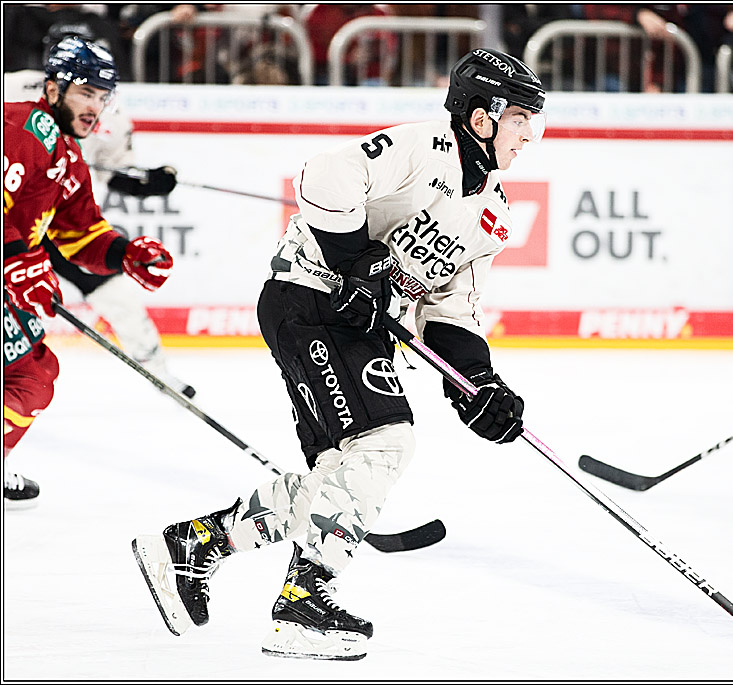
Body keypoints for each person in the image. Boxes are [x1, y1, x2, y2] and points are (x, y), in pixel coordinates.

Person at [131, 48, 544, 660]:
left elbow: (451, 308)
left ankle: (195, 544)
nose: (527, 136)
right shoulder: (422, 147)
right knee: (385, 445)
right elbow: (324, 177)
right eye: (518, 119)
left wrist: (478, 386)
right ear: (481, 116)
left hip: (356, 324)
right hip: (308, 301)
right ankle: (302, 603)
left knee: (338, 475)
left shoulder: (493, 212)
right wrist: (357, 266)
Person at [3, 36, 175, 508]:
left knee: (31, 377)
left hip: (8, 282)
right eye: (85, 93)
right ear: (55, 89)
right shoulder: (20, 127)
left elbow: (79, 235)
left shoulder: (71, 159)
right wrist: (17, 259)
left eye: (102, 97)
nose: (95, 107)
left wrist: (123, 254)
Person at [5, 66, 194, 399]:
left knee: (115, 295)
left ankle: (160, 373)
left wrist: (149, 183)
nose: (93, 97)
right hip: (14, 222)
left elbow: (116, 174)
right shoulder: (15, 88)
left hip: (59, 219)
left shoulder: (107, 112)